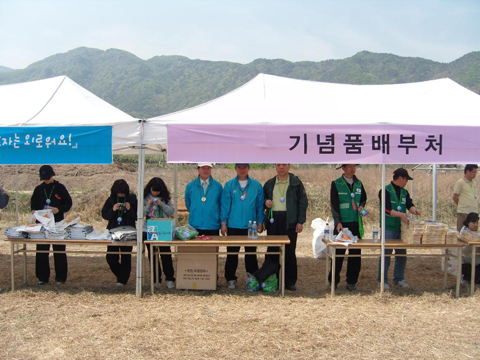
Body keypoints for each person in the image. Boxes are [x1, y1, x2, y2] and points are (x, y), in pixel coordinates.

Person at [263, 163, 308, 291]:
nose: (281, 167)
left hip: (290, 220)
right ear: (275, 167)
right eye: (278, 165)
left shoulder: (296, 183)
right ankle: (272, 280)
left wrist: (300, 221)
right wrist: (266, 202)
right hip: (273, 220)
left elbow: (302, 203)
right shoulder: (269, 183)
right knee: (272, 250)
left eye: (284, 165)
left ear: (288, 166)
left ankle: (289, 281)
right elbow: (263, 200)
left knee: (289, 251)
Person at [221, 164, 265, 289]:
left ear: (248, 168)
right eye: (239, 167)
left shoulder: (256, 185)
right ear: (235, 168)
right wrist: (223, 223)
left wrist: (260, 222)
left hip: (251, 225)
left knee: (251, 253)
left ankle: (252, 278)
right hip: (233, 225)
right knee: (232, 253)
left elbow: (259, 205)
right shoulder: (229, 185)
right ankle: (230, 279)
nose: (242, 169)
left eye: (244, 166)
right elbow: (225, 205)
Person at [378, 168, 421, 289]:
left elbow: (409, 204)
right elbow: (386, 209)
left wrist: (414, 210)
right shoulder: (385, 190)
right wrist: (400, 214)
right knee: (385, 254)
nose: (407, 182)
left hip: (402, 228)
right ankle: (382, 280)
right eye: (406, 179)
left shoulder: (404, 192)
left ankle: (399, 279)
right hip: (389, 227)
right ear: (401, 178)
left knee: (401, 254)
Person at [31, 165, 72, 285]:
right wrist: (34, 211)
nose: (46, 180)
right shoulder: (38, 189)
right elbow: (33, 204)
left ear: (52, 175)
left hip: (57, 223)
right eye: (44, 178)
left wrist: (59, 209)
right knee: (42, 251)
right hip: (42, 223)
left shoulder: (60, 188)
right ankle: (42, 277)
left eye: (48, 177)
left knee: (59, 250)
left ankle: (60, 278)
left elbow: (68, 203)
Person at [328, 164, 367, 291]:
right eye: (349, 166)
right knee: (338, 254)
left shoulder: (359, 183)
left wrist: (361, 206)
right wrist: (338, 221)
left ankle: (351, 282)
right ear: (343, 169)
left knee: (355, 255)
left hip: (355, 222)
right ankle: (333, 281)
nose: (352, 169)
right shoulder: (336, 183)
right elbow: (334, 204)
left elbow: (363, 199)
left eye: (354, 166)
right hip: (342, 224)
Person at [102, 179, 138, 286]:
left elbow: (137, 216)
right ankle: (120, 274)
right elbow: (105, 215)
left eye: (123, 193)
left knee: (126, 256)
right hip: (113, 230)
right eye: (119, 193)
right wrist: (113, 210)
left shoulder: (132, 199)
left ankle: (122, 280)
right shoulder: (111, 200)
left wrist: (129, 209)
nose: (121, 195)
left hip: (128, 231)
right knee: (111, 257)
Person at [143, 177, 175, 288]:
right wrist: (148, 206)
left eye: (158, 191)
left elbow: (172, 212)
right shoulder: (144, 198)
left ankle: (170, 278)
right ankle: (156, 279)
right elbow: (140, 213)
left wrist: (162, 204)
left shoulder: (166, 198)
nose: (155, 193)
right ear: (150, 189)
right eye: (154, 191)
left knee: (165, 254)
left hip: (163, 229)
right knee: (152, 255)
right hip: (149, 229)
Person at [185, 163, 223, 236]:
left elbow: (221, 204)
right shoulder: (190, 186)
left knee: (212, 247)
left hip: (212, 225)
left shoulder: (217, 186)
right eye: (203, 168)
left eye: (208, 168)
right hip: (195, 225)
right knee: (197, 247)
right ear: (198, 169)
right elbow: (188, 204)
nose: (206, 170)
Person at [453, 164, 478, 231]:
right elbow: (455, 197)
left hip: (473, 212)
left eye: (476, 172)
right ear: (467, 171)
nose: (475, 174)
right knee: (462, 232)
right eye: (474, 172)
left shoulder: (474, 183)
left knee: (473, 234)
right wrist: (462, 205)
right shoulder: (460, 182)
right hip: (464, 213)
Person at [459, 212, 480, 286]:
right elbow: (463, 251)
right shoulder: (464, 233)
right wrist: (471, 243)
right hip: (466, 262)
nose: (476, 225)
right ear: (468, 222)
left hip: (477, 262)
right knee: (477, 276)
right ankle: (466, 278)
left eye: (477, 223)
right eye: (473, 223)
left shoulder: (477, 232)